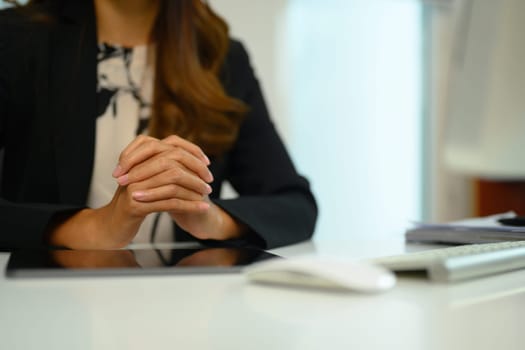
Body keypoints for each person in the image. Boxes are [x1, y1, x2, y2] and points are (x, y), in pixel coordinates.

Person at [0, 0, 317, 250]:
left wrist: (212, 219)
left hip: (180, 305)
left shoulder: (221, 57)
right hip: (47, 305)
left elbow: (295, 205)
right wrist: (91, 227)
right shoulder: (15, 40)